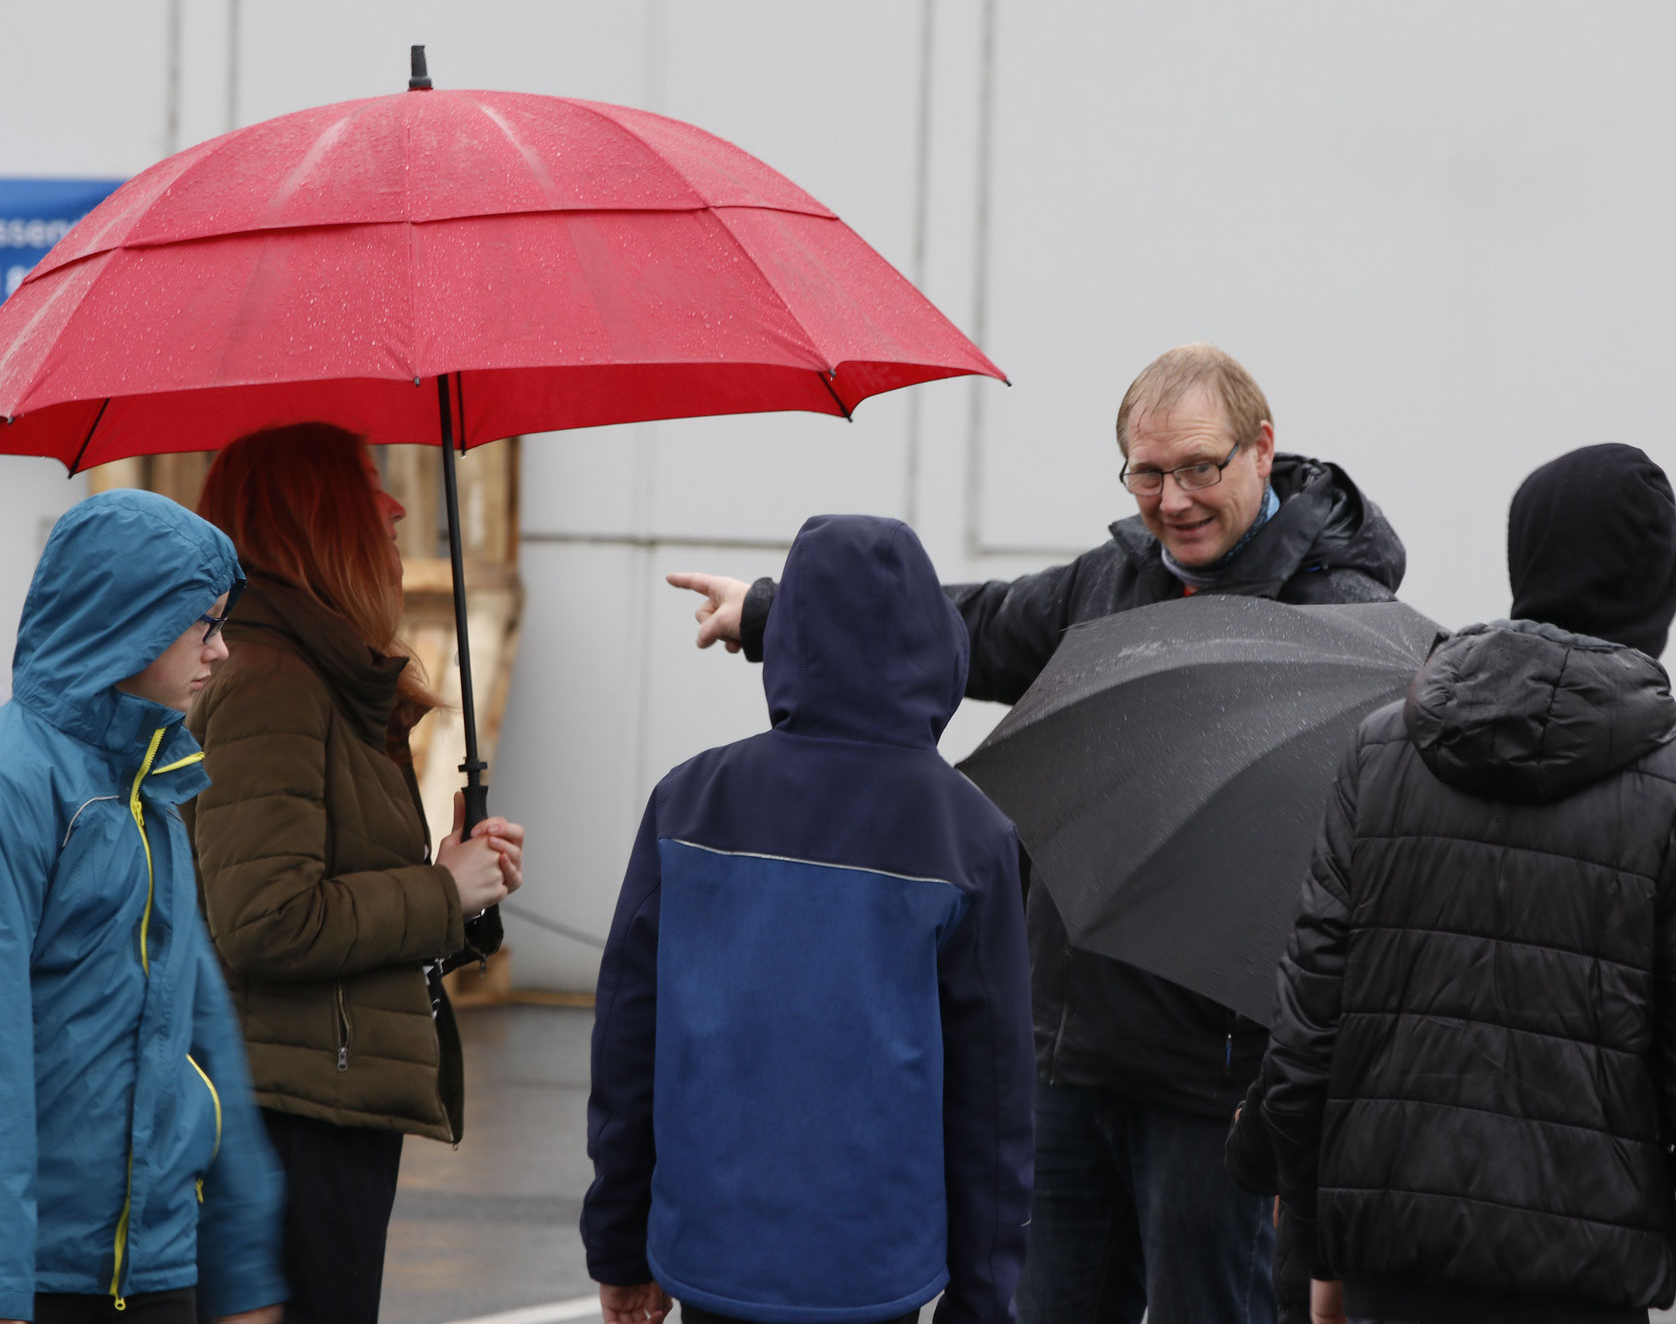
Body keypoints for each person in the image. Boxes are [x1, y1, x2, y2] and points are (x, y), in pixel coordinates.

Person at [674, 342, 1403, 1324]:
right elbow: (963, 625)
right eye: (1146, 473)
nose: (1172, 499)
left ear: (1260, 449)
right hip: (1069, 1050)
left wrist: (1306, 1102)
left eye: (1198, 467)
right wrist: (771, 611)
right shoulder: (1111, 582)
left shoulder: (1347, 623)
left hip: (1218, 1081)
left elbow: (1368, 884)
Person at [1248, 444, 1676, 1324]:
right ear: (1661, 583)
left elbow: (1312, 1023)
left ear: (1523, 562)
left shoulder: (1383, 751)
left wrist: (1313, 1242)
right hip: (1579, 1281)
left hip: (1392, 1261)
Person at [583, 515, 1033, 1324]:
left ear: (786, 635)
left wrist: (618, 1242)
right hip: (876, 1266)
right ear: (938, 641)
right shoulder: (972, 835)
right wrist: (982, 1300)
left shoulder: (687, 802)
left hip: (710, 1248)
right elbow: (994, 1098)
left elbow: (627, 1042)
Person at [184, 423, 526, 1324]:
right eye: (366, 483)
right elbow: (266, 916)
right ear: (307, 515)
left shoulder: (321, 675)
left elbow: (334, 902)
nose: (396, 506)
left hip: (322, 1099)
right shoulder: (273, 682)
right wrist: (440, 890)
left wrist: (460, 886)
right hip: (291, 1112)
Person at [0, 489, 285, 1324]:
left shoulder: (153, 788)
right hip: (45, 1275)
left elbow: (202, 1034)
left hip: (158, 1266)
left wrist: (240, 1271)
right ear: (127, 619)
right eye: (204, 624)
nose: (222, 650)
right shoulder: (19, 785)